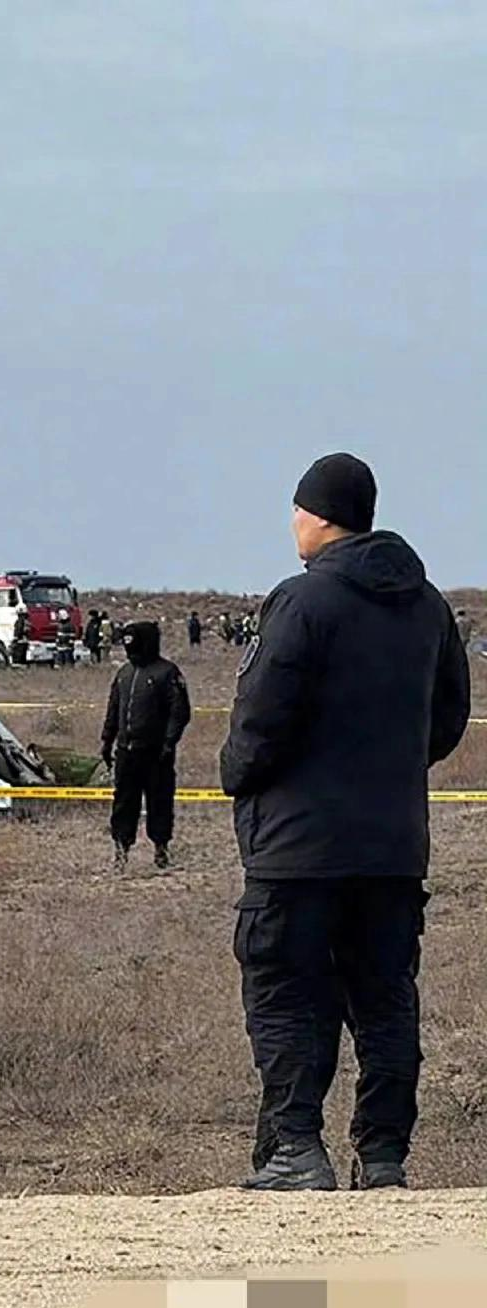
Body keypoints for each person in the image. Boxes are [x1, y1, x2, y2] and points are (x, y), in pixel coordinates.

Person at [221, 453, 470, 1192]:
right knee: (386, 1000)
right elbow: (449, 717)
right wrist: (386, 772)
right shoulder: (427, 606)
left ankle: (296, 1149)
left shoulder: (302, 603)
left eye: (298, 508)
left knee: (288, 994)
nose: (292, 522)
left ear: (319, 515)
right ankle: (384, 1156)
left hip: (298, 850)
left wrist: (240, 773)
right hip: (392, 848)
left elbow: (261, 718)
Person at [100, 622, 191, 871]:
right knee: (123, 802)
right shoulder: (124, 674)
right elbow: (113, 709)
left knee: (159, 801)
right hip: (126, 752)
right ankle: (121, 849)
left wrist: (169, 743)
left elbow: (179, 712)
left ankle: (161, 848)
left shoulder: (167, 673)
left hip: (156, 754)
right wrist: (106, 741)